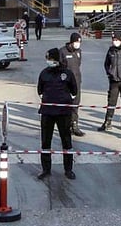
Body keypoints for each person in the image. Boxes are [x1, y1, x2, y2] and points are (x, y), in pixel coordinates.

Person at [37, 48, 78, 180]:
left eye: (50, 59)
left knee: (66, 141)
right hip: (47, 112)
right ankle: (46, 169)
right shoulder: (44, 73)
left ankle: (68, 169)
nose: (48, 61)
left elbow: (74, 91)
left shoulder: (67, 73)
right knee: (45, 142)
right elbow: (40, 90)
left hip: (63, 113)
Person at [99, 32, 121, 132]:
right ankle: (108, 121)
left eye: (116, 40)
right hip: (114, 80)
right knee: (111, 102)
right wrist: (109, 73)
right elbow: (106, 64)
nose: (114, 42)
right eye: (113, 40)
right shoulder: (111, 50)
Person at [58, 32, 84, 137]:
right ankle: (65, 126)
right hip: (65, 84)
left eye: (79, 42)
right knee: (65, 106)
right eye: (76, 42)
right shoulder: (62, 52)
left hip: (76, 82)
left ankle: (74, 125)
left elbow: (78, 65)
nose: (78, 44)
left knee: (75, 104)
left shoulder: (79, 52)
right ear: (71, 42)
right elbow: (59, 68)